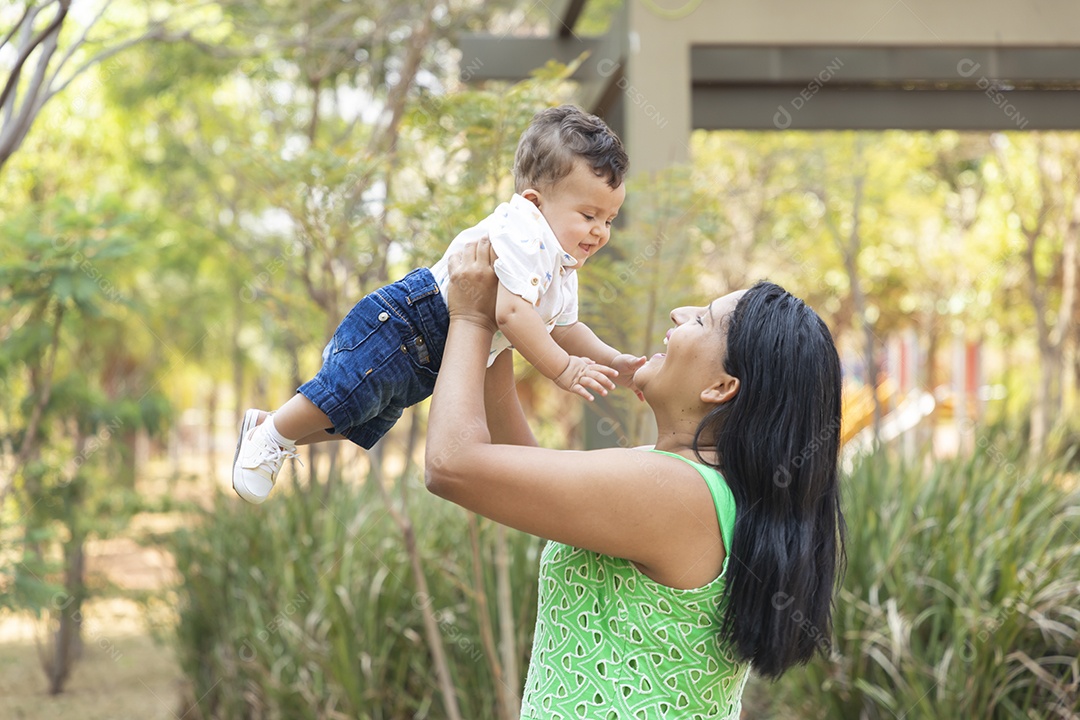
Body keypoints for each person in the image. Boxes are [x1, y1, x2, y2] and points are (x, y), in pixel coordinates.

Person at [426, 237, 847, 718]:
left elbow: (451, 465)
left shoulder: (672, 489)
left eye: (702, 320)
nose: (677, 314)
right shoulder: (695, 484)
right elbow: (517, 472)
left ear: (721, 386)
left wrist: (470, 318)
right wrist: (505, 321)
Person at [232, 105, 645, 504]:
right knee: (347, 393)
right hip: (407, 322)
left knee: (365, 416)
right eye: (589, 215)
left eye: (608, 220)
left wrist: (615, 363)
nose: (600, 232)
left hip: (439, 351)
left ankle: (269, 425)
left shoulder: (561, 263)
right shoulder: (524, 230)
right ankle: (271, 438)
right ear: (534, 203)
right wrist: (562, 368)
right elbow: (511, 314)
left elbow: (564, 328)